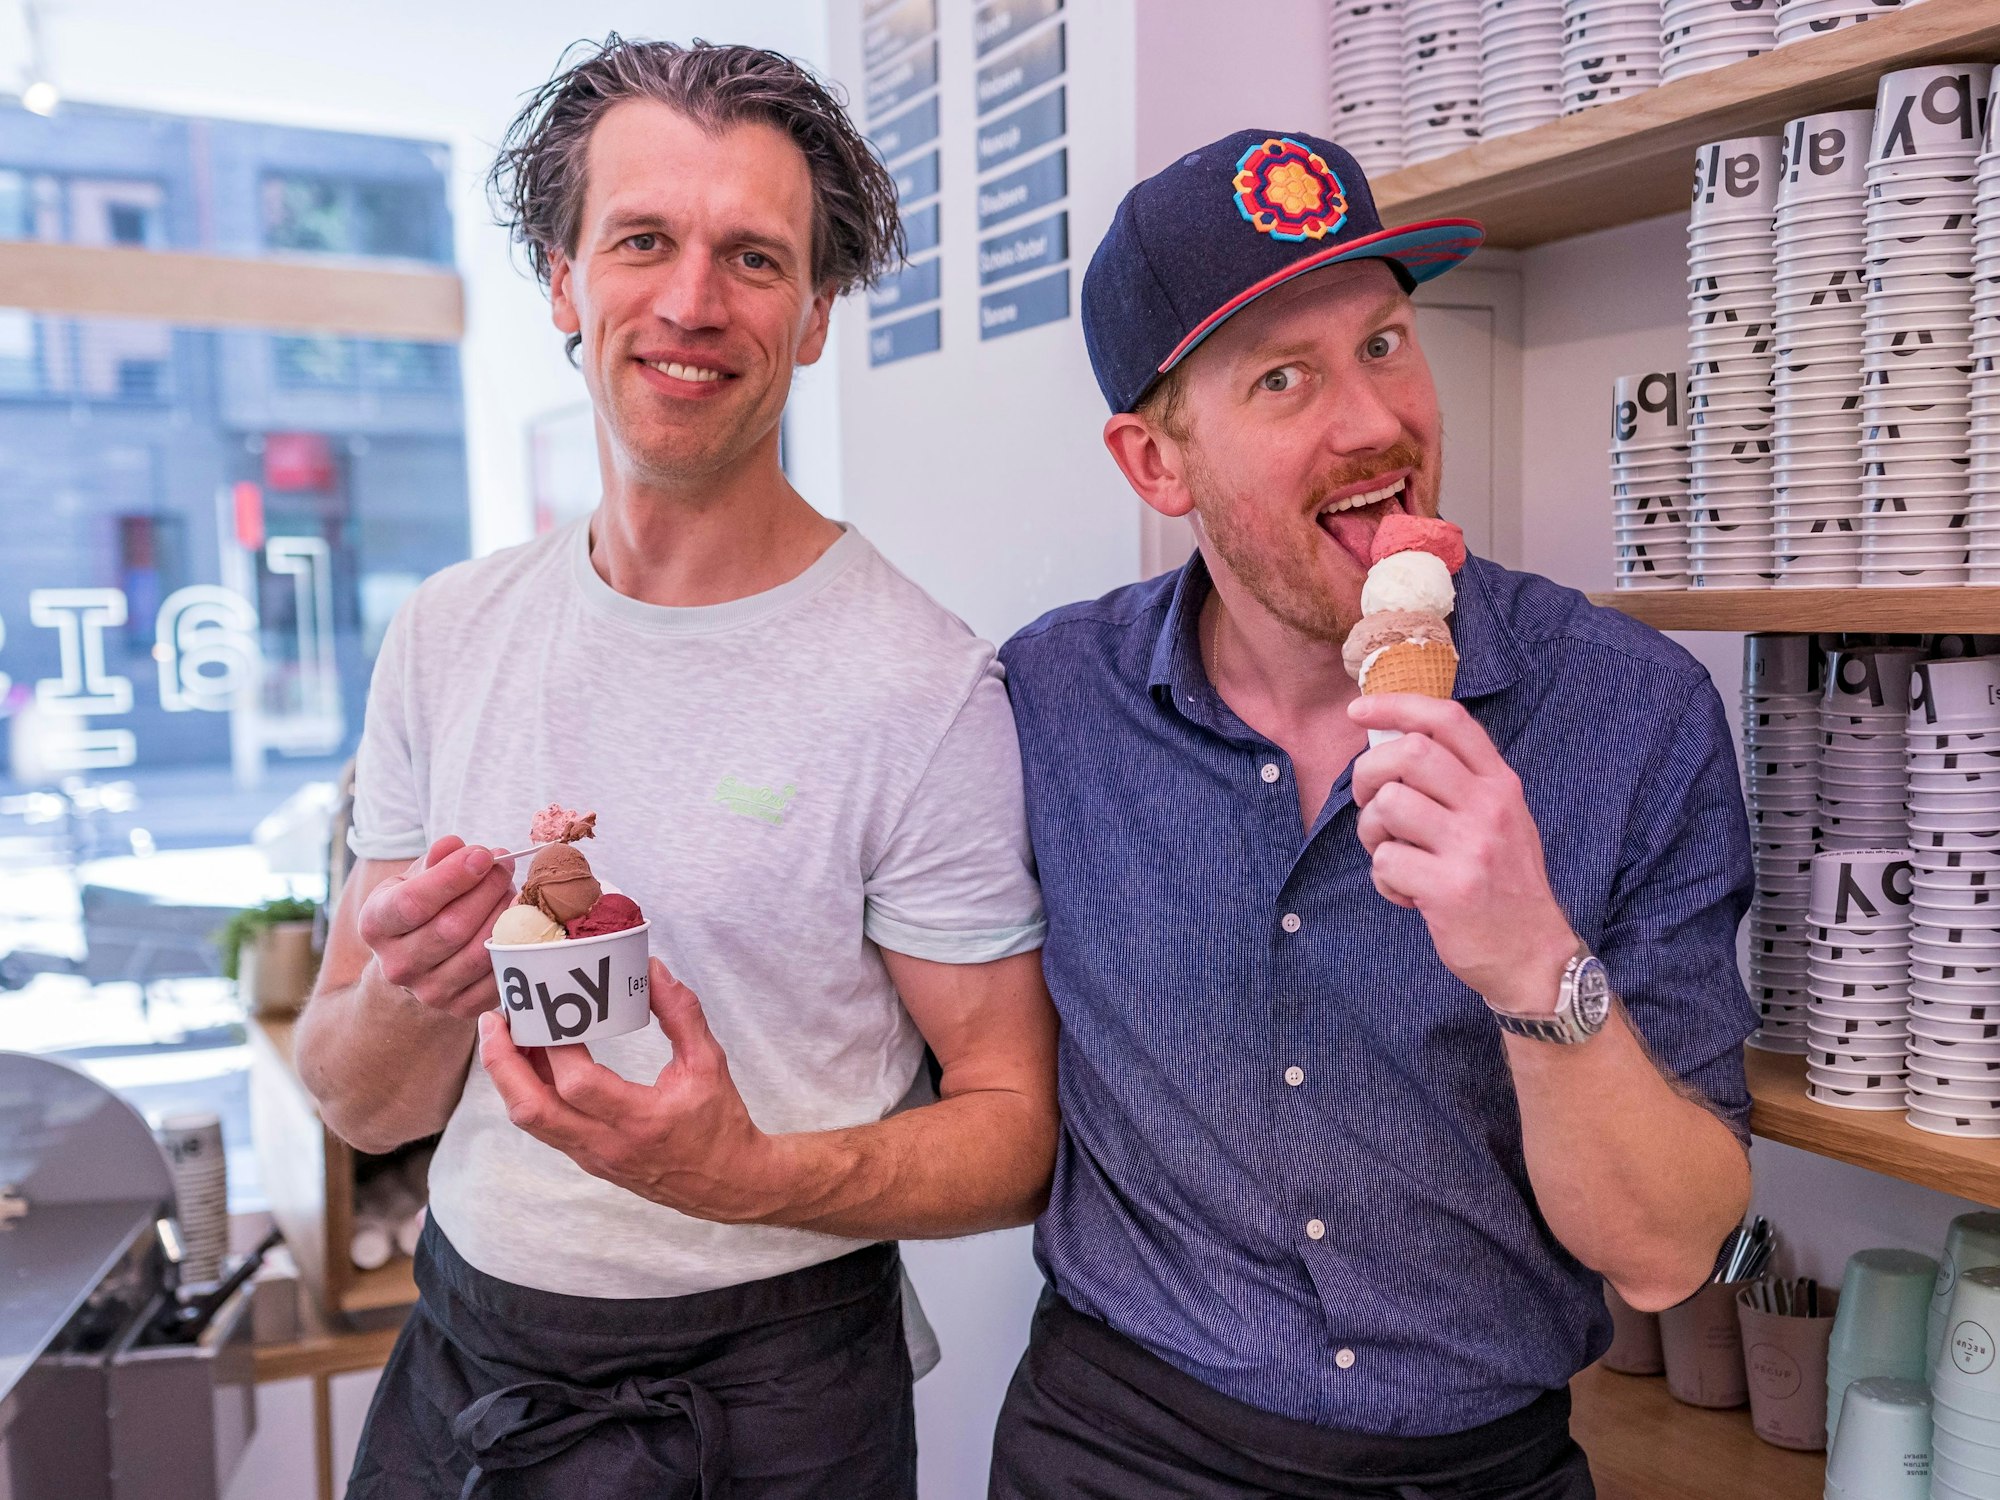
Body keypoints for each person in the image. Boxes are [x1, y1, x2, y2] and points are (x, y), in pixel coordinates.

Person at [294, 37, 1059, 1499]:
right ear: (564, 279)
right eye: (643, 240)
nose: (693, 303)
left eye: (755, 259)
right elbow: (362, 1103)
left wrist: (744, 1174)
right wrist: (409, 992)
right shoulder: (447, 635)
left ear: (818, 312)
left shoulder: (922, 684)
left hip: (774, 1399)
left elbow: (1015, 1134)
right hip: (465, 1359)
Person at [988, 129, 1757, 1499]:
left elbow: (1667, 1256)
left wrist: (1532, 963)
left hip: (1475, 1466)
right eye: (1284, 377)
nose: (1372, 422)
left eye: (1387, 342)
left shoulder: (1631, 714)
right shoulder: (1044, 705)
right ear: (1155, 465)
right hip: (1116, 1448)